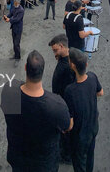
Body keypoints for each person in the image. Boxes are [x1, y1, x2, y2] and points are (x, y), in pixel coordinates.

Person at [1, 50, 71, 171]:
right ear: (42, 72)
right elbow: (67, 127)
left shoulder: (9, 89)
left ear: (25, 68)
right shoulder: (56, 105)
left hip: (17, 158)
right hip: (43, 165)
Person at [64, 48, 104, 172]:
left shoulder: (70, 90)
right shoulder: (92, 77)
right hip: (93, 128)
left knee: (79, 162)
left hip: (80, 136)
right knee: (90, 157)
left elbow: (70, 124)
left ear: (72, 66)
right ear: (86, 64)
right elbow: (101, 92)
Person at [48, 34, 74, 164]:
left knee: (66, 133)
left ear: (62, 46)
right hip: (60, 102)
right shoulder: (64, 59)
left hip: (64, 105)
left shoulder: (68, 66)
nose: (54, 53)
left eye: (55, 50)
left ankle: (67, 156)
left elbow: (70, 91)